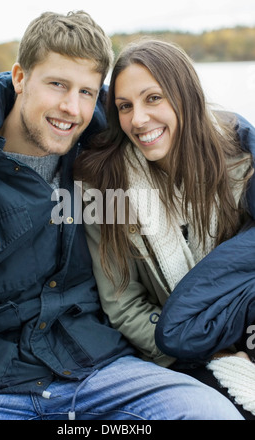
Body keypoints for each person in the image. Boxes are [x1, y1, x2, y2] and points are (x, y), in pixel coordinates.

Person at [0, 11, 244, 421]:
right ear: (20, 78)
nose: (71, 108)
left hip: (100, 371)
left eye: (87, 92)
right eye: (57, 84)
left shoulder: (100, 164)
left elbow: (209, 132)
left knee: (211, 414)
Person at [74, 38, 255, 419]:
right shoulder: (102, 186)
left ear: (185, 95)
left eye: (152, 98)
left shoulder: (241, 163)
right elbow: (122, 304)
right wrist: (205, 350)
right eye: (125, 107)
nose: (137, 119)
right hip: (178, 353)